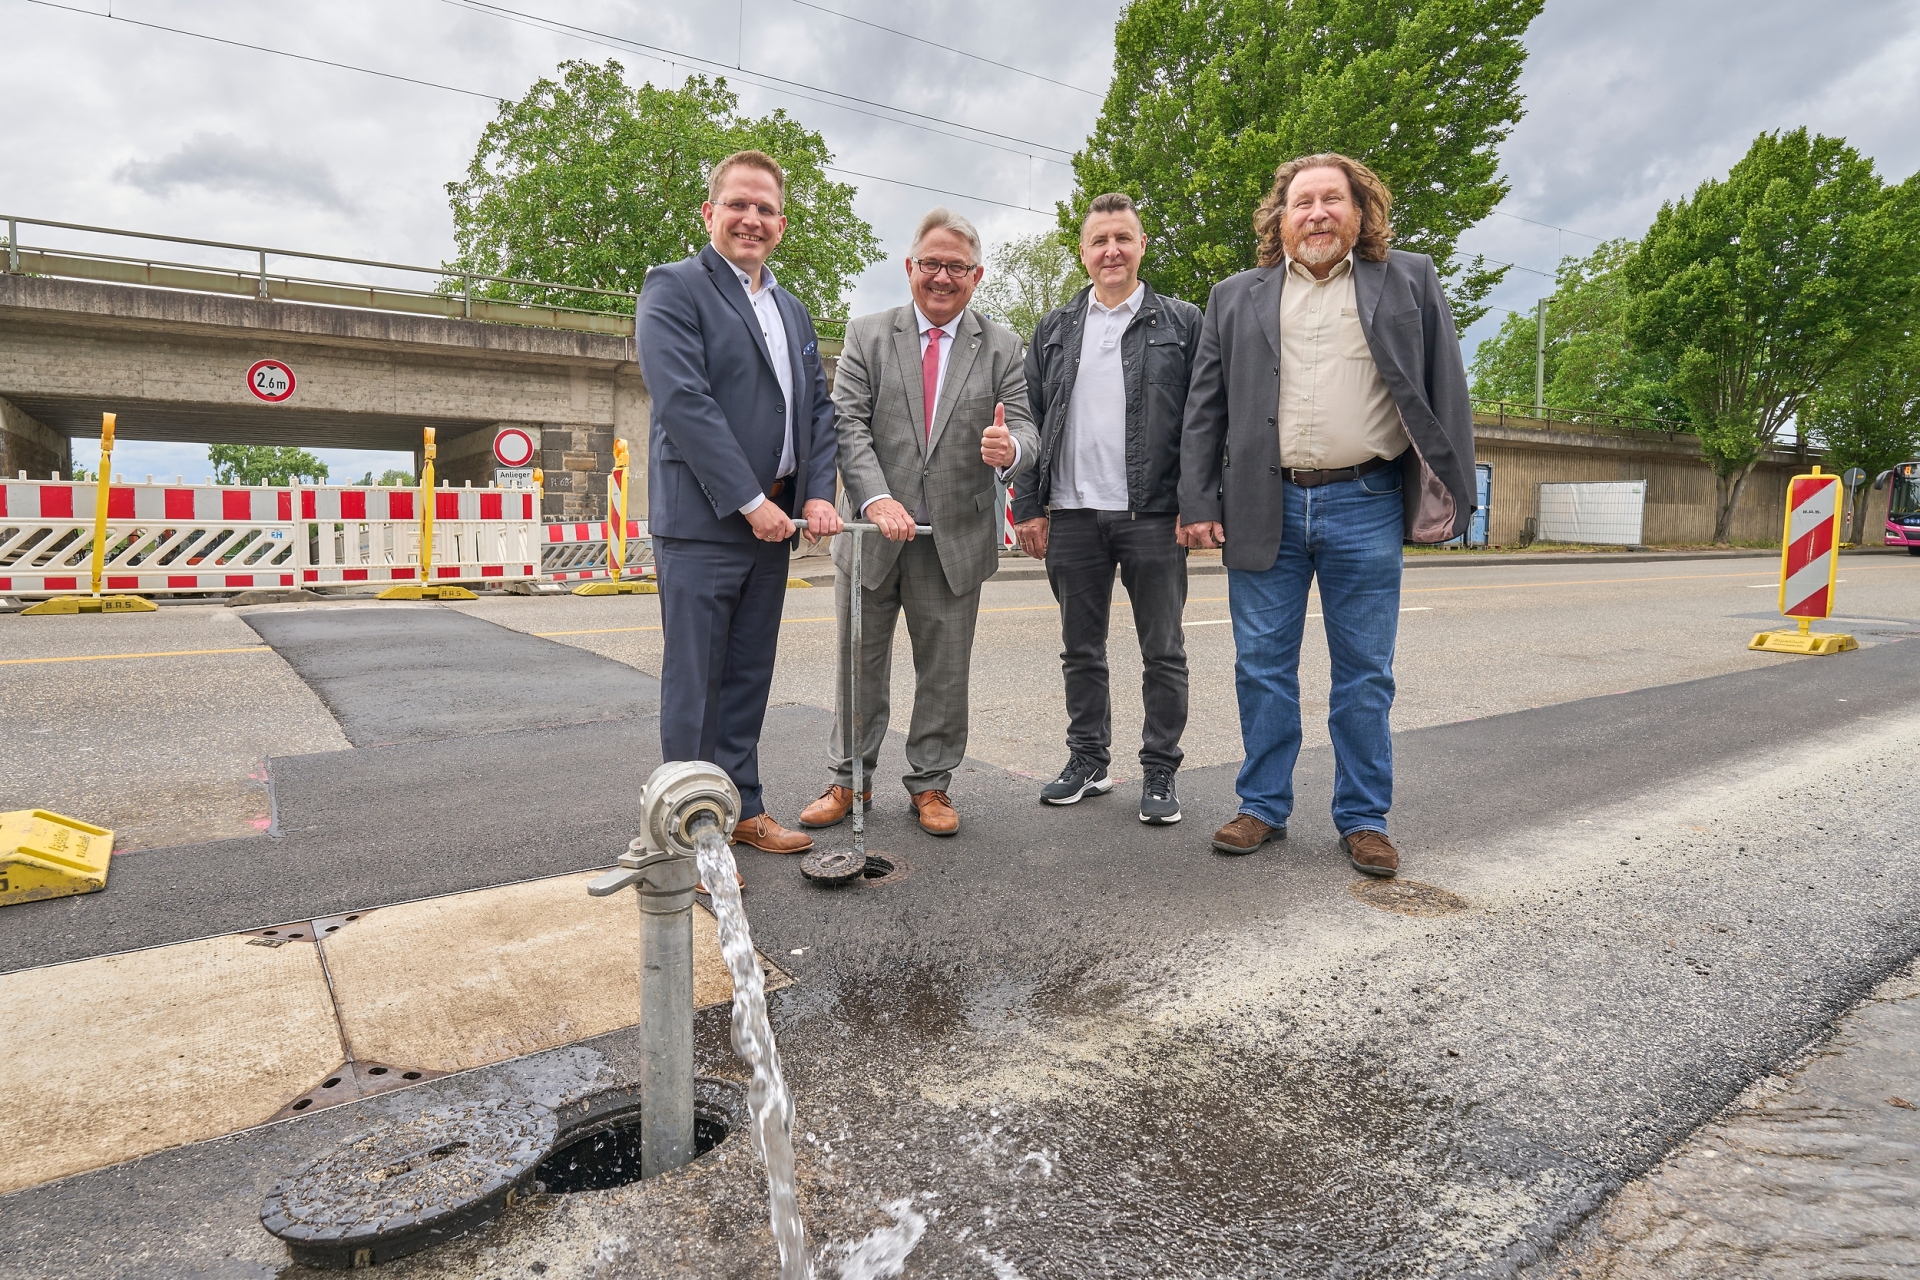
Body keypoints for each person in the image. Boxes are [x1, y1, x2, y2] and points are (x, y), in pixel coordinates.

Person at [1178, 152, 1475, 878]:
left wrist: (1452, 489)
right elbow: (1203, 410)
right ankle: (1262, 807)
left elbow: (1447, 387)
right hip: (1261, 504)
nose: (1316, 213)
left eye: (1331, 201)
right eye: (1302, 202)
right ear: (1279, 219)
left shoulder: (1409, 279)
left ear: (1359, 211)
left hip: (1365, 502)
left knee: (1366, 674)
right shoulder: (1234, 296)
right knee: (1262, 669)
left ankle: (1364, 818)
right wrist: (1197, 501)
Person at [798, 208, 1041, 837]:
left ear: (976, 275)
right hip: (872, 540)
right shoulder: (868, 335)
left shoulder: (1004, 345)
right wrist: (877, 500)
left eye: (955, 267)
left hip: (953, 540)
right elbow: (845, 424)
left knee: (944, 672)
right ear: (909, 267)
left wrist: (1010, 450)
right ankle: (849, 781)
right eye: (929, 263)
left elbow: (1026, 428)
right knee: (858, 666)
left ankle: (932, 784)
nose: (941, 276)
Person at [636, 149, 844, 859]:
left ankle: (742, 806)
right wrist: (751, 501)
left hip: (776, 524)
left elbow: (820, 408)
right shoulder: (673, 289)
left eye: (765, 209)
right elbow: (685, 404)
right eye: (738, 205)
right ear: (710, 213)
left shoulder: (792, 308)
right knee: (696, 683)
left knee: (749, 672)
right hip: (705, 523)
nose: (751, 219)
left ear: (781, 225)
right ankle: (688, 835)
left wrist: (816, 494)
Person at [1011, 193, 1203, 825]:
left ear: (1142, 245)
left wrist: (1197, 503)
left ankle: (1159, 771)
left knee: (1163, 651)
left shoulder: (1181, 323)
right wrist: (1028, 507)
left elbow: (1207, 423)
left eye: (1123, 238)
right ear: (1085, 252)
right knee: (1080, 650)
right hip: (1070, 516)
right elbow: (1029, 421)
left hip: (1153, 515)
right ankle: (1088, 760)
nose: (1112, 251)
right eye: (1099, 241)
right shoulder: (1056, 328)